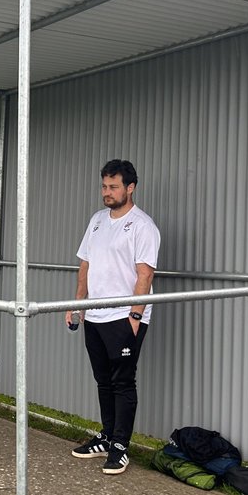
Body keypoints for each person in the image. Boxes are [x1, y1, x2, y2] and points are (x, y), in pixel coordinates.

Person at [67, 159, 161, 475]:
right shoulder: (96, 220)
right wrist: (76, 304)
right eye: (104, 186)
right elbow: (85, 267)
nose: (107, 192)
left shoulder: (143, 226)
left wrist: (135, 317)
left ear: (130, 187)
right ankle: (106, 437)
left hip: (124, 316)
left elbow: (144, 274)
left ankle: (120, 447)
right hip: (94, 316)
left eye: (114, 187)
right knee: (103, 381)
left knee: (123, 382)